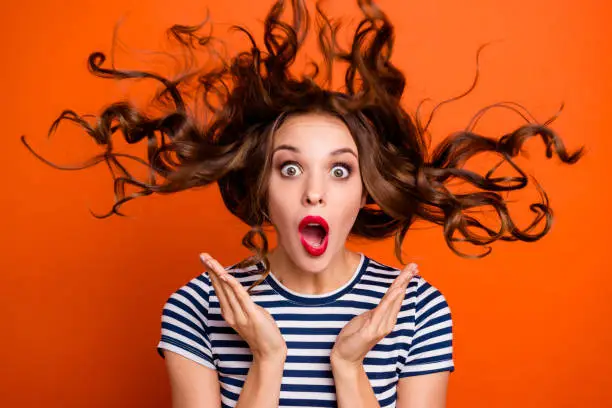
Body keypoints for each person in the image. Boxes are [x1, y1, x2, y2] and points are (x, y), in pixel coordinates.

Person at [20, 0, 584, 407]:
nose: (314, 191)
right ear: (261, 186)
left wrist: (349, 365)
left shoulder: (417, 311)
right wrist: (267, 361)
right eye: (290, 168)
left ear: (364, 192)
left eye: (340, 170)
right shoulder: (195, 308)